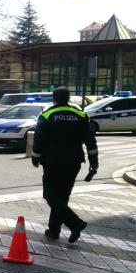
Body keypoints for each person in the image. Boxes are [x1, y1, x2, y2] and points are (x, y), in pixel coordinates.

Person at [31, 86, 98, 243]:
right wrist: (94, 163)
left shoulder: (47, 115)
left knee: (50, 196)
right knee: (62, 196)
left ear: (54, 98)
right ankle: (54, 231)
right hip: (74, 162)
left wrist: (35, 157)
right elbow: (91, 142)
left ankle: (75, 223)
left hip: (53, 162)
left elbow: (39, 140)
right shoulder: (81, 115)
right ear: (68, 98)